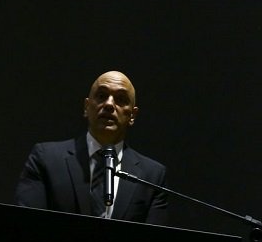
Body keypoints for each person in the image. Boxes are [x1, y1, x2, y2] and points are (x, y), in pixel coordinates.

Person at [14, 70, 168, 224]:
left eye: (121, 99)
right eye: (101, 96)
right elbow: (25, 225)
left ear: (132, 115)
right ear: (86, 107)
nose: (109, 104)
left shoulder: (152, 176)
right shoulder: (46, 158)